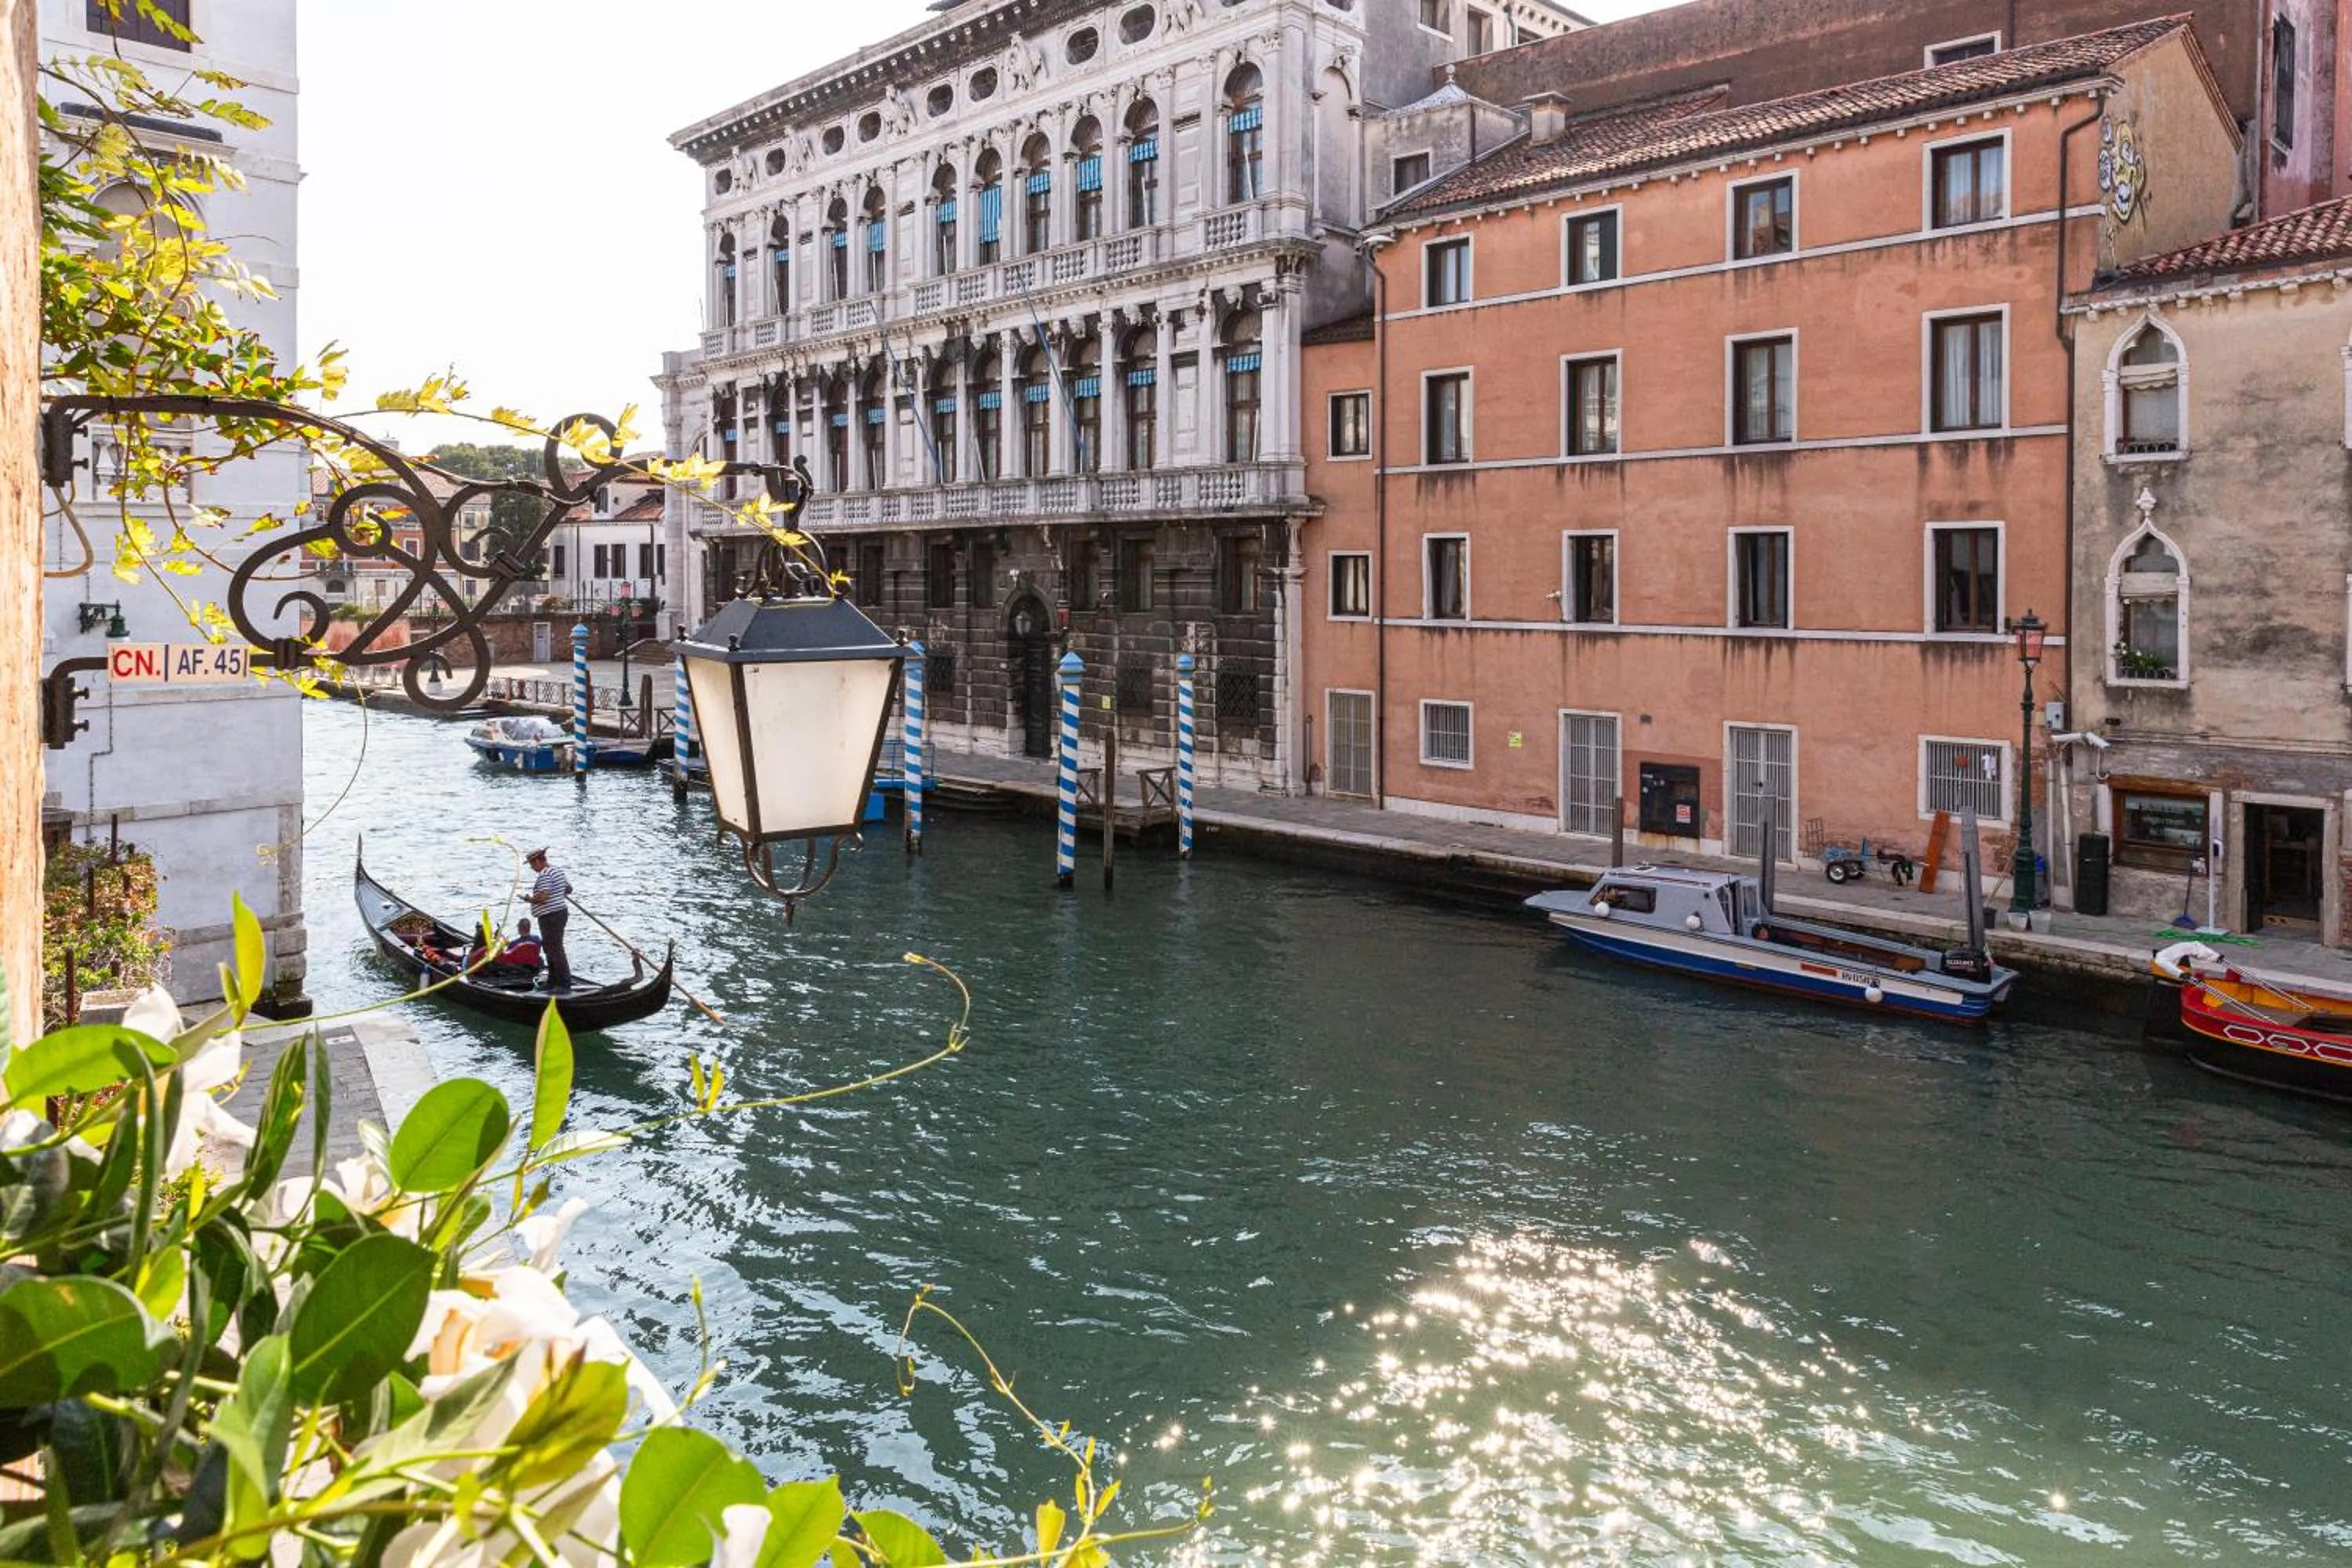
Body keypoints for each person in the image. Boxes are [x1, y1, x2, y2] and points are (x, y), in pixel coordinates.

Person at [524, 848, 572, 989]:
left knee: (555, 948)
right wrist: (558, 891)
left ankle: (563, 982)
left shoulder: (545, 874)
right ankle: (553, 980)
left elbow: (544, 897)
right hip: (560, 913)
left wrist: (530, 899)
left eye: (532, 864)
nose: (532, 868)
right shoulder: (557, 871)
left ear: (538, 861)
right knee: (550, 948)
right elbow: (569, 889)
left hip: (551, 916)